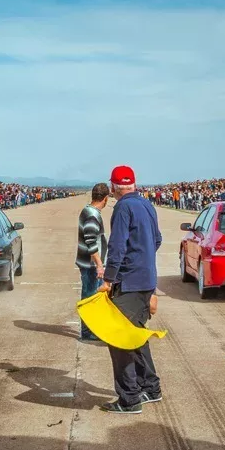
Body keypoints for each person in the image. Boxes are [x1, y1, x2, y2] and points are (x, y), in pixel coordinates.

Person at [97, 166, 162, 414]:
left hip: (129, 283)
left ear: (113, 187)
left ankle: (129, 399)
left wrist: (109, 279)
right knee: (137, 335)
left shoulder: (123, 207)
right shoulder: (147, 205)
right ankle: (150, 388)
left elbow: (117, 246)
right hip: (146, 280)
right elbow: (157, 240)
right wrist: (143, 260)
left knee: (120, 340)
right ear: (134, 184)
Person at [76, 183, 109, 342]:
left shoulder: (88, 210)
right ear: (105, 199)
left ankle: (90, 329)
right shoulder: (92, 215)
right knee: (90, 297)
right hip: (90, 265)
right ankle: (88, 332)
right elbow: (91, 241)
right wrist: (99, 264)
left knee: (92, 297)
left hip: (88, 263)